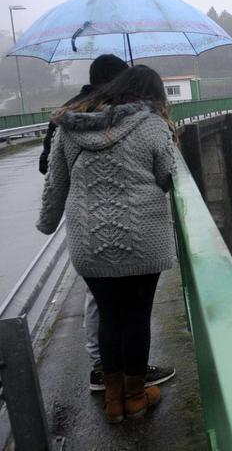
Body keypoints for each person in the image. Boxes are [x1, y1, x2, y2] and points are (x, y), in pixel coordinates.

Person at [36, 65, 177, 423]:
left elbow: (56, 184)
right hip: (143, 237)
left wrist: (47, 223)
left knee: (110, 316)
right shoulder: (152, 125)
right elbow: (165, 177)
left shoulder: (70, 128)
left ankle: (114, 403)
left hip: (89, 242)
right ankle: (135, 396)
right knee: (137, 316)